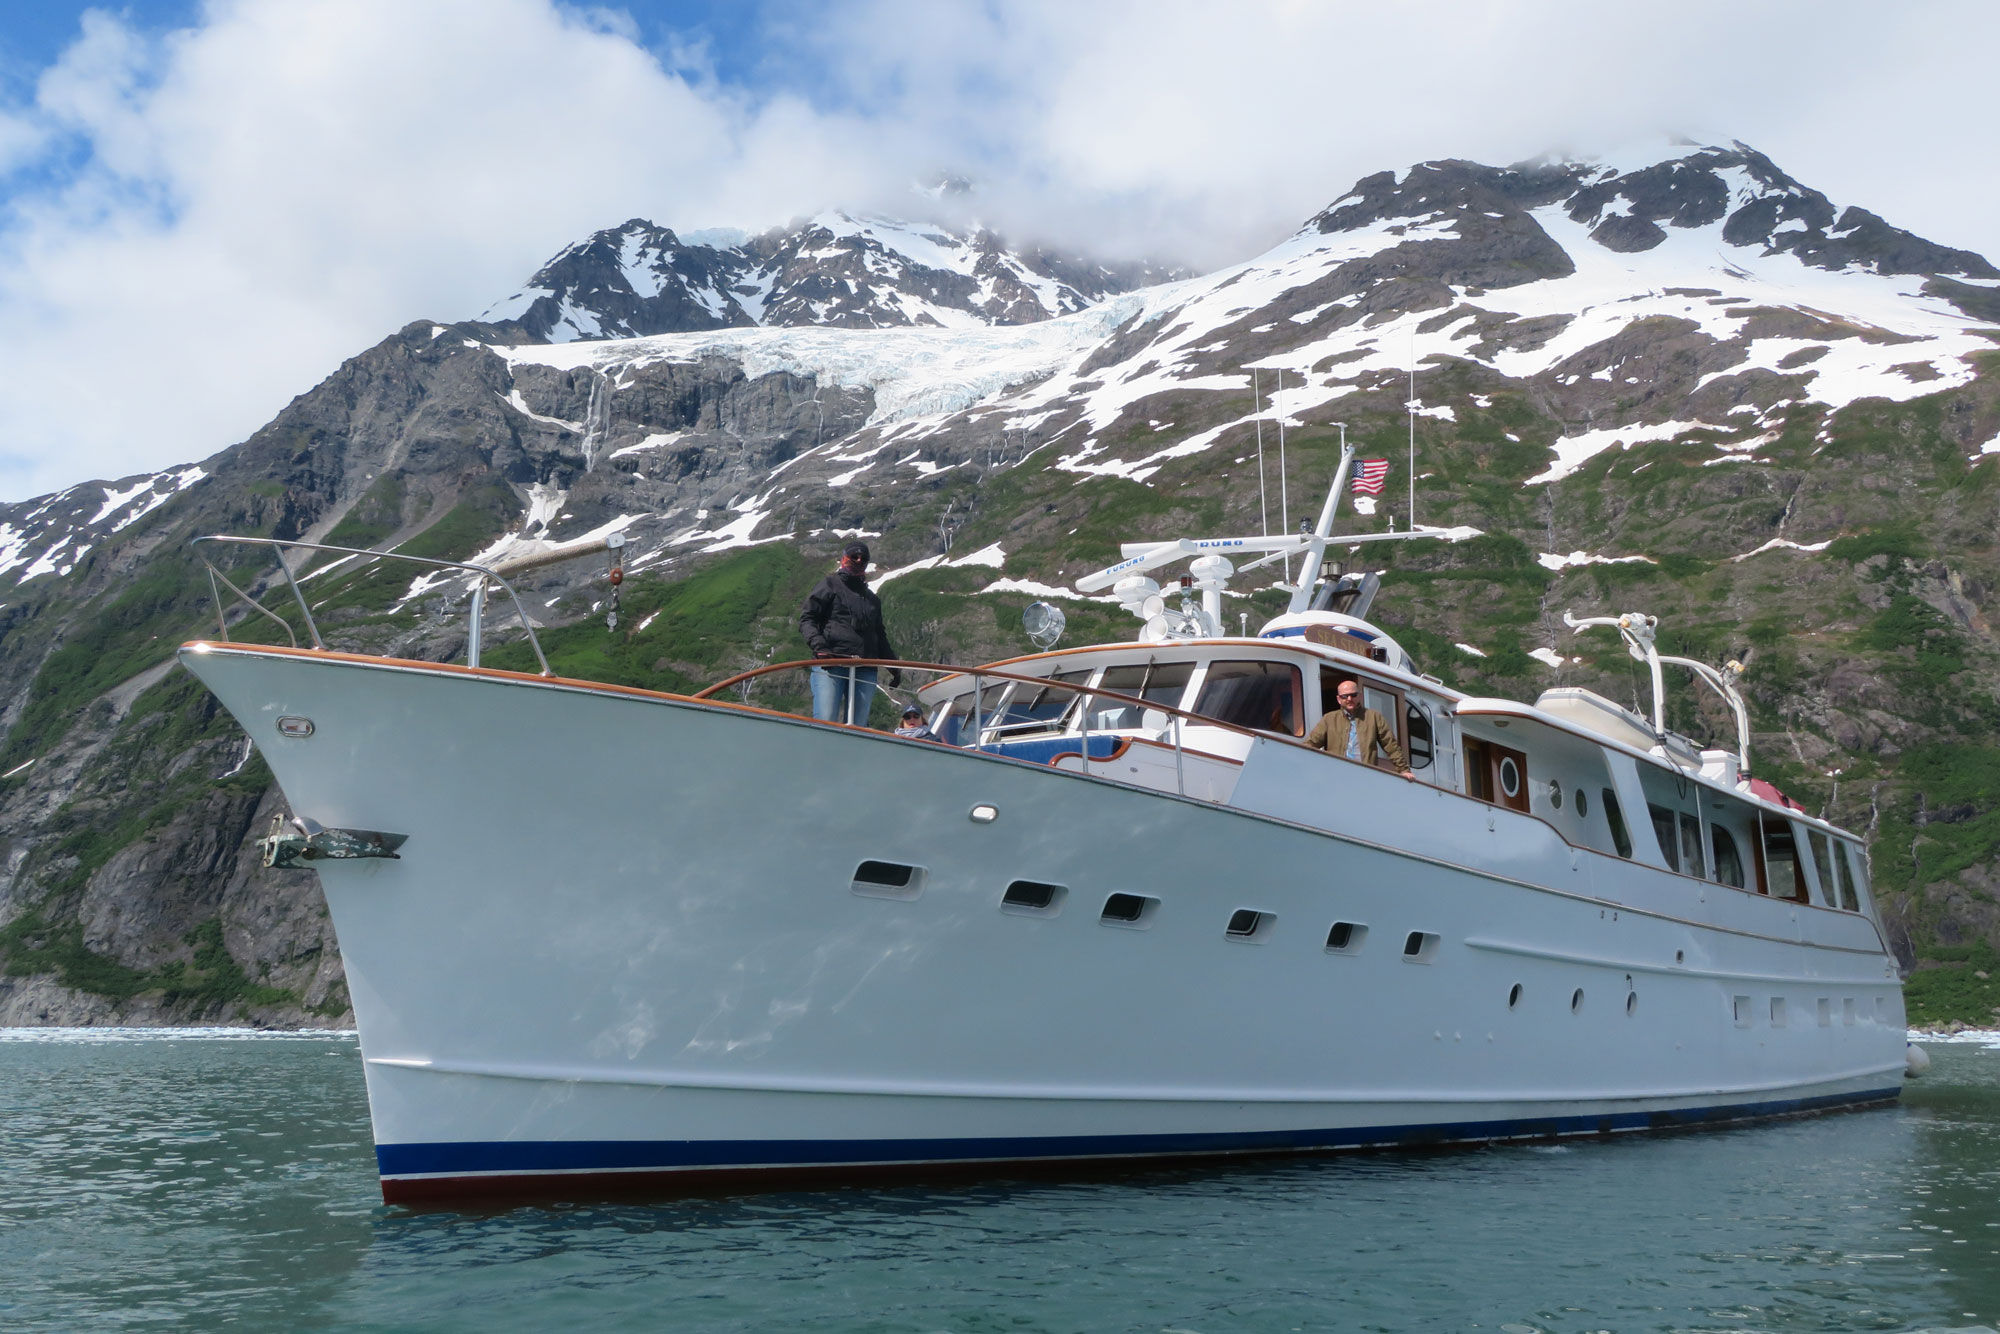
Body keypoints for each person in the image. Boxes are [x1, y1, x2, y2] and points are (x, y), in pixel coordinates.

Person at [799, 541, 901, 725]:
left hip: (865, 667)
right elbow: (808, 618)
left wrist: (893, 666)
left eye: (863, 558)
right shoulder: (829, 585)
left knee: (858, 725)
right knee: (826, 719)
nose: (859, 560)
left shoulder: (872, 600)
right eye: (854, 556)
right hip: (831, 662)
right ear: (844, 557)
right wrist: (819, 646)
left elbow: (879, 635)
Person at [1306, 679, 1415, 780]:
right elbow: (1311, 744)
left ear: (1360, 696)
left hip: (1365, 776)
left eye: (1353, 695)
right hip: (1337, 775)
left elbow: (1391, 746)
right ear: (1339, 699)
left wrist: (1404, 770)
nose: (1349, 699)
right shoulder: (1329, 719)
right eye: (1345, 696)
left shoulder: (1374, 717)